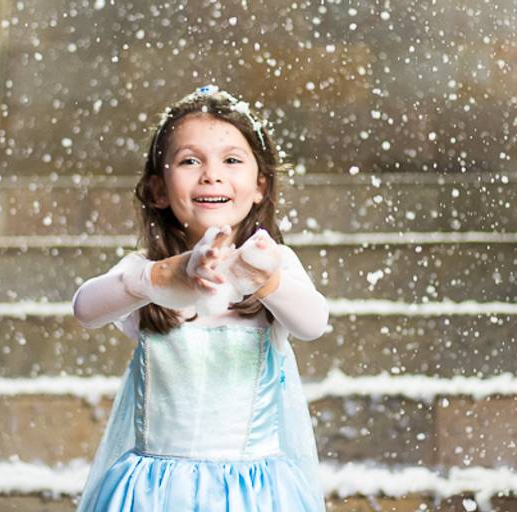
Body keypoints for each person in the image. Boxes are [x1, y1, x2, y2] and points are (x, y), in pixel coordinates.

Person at [71, 84, 329, 511]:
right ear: (158, 190)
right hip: (155, 494)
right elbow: (85, 309)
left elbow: (313, 322)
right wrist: (160, 278)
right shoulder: (146, 270)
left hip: (250, 494)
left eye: (231, 160)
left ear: (260, 186)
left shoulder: (273, 263)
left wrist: (263, 282)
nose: (211, 174)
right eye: (190, 160)